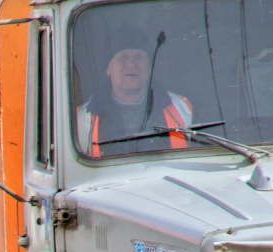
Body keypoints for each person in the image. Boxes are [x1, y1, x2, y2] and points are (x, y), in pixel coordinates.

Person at [76, 26, 193, 157]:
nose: (131, 64)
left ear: (149, 67)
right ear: (108, 69)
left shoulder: (182, 108)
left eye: (139, 57)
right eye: (122, 58)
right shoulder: (82, 119)